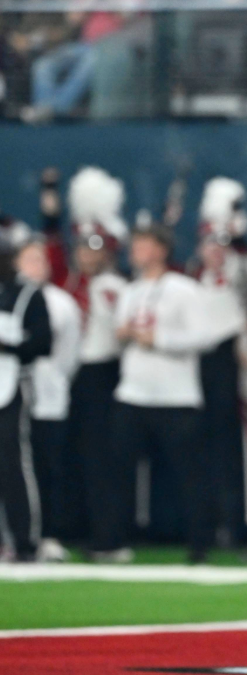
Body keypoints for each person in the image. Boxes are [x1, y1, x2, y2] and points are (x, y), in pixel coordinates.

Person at [112, 225, 216, 564]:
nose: (134, 251)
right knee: (120, 471)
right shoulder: (130, 290)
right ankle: (115, 541)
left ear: (160, 249)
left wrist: (159, 340)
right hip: (132, 392)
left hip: (176, 396)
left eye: (141, 244)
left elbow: (205, 336)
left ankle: (199, 544)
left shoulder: (184, 289)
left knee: (188, 475)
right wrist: (126, 334)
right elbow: (118, 334)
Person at [61, 167, 130, 560]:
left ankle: (110, 535)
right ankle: (76, 528)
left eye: (96, 249)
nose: (87, 255)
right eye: (83, 248)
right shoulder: (67, 287)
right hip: (69, 376)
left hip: (103, 375)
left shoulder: (116, 288)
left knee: (102, 458)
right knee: (75, 458)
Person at [193, 177, 247, 547]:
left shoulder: (241, 271)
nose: (215, 251)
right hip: (195, 372)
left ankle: (240, 524)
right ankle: (209, 525)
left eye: (222, 244)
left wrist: (236, 230)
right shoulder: (191, 278)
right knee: (202, 454)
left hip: (232, 369)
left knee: (235, 452)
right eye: (209, 243)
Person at [14, 235, 81, 559]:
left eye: (38, 260)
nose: (32, 267)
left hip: (48, 399)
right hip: (11, 401)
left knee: (48, 469)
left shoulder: (61, 303)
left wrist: (55, 383)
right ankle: (17, 535)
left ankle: (50, 533)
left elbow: (69, 354)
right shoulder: (9, 298)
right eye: (26, 259)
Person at [0, 228, 53, 562]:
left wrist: (7, 345)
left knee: (13, 464)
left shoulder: (27, 294)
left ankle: (24, 541)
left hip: (11, 385)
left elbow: (42, 343)